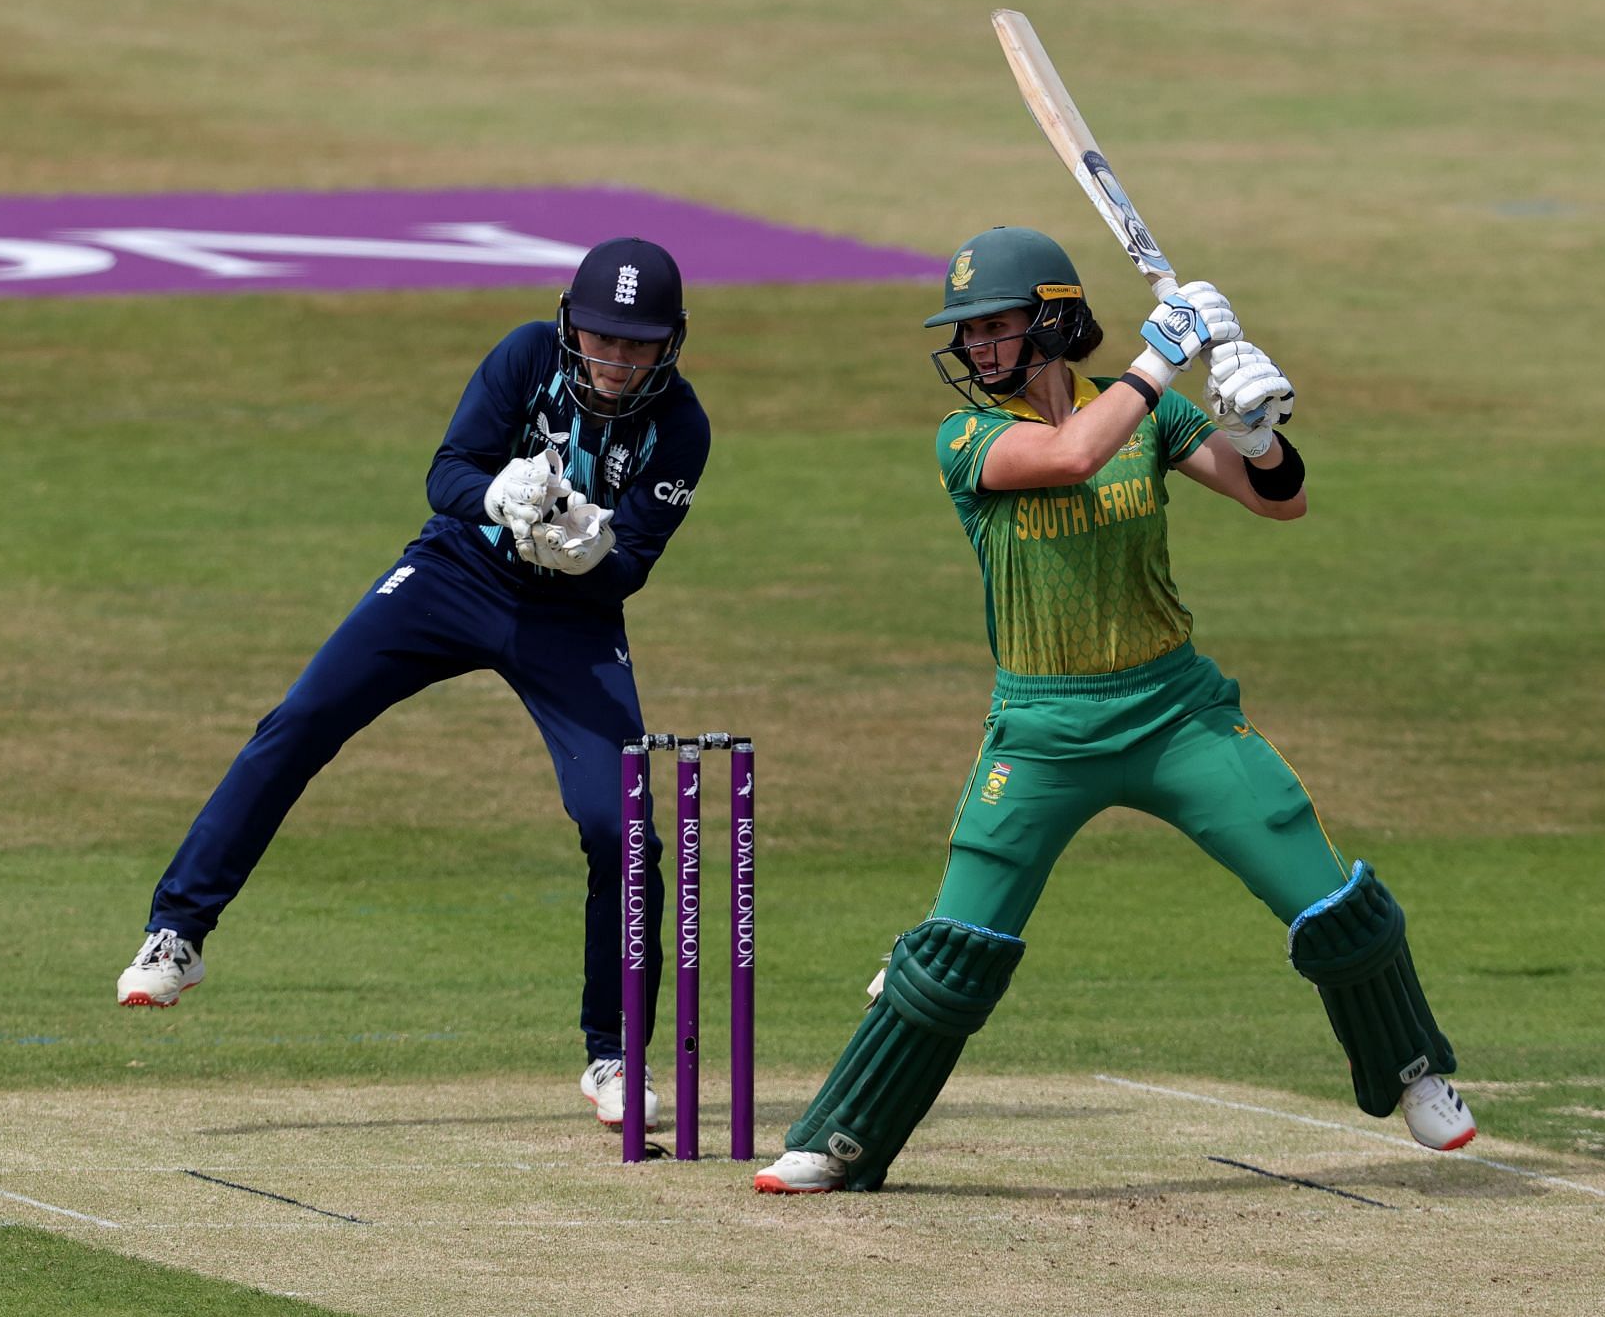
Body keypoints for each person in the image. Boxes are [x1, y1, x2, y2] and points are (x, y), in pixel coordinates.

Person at [753, 226, 1474, 1194]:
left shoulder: (1154, 414)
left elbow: (1279, 504)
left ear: (1053, 320)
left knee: (1327, 895)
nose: (977, 347)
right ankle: (840, 1139)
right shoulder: (968, 437)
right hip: (1041, 733)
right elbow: (1072, 457)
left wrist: (1261, 435)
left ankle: (1414, 1072)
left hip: (1175, 714)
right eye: (968, 331)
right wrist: (1160, 352)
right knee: (957, 948)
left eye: (997, 325)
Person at [115, 236, 709, 1129]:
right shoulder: (524, 356)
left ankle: (615, 1054)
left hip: (571, 623)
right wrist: (496, 497)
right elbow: (446, 474)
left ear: (670, 343)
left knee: (621, 826)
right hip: (455, 578)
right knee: (303, 718)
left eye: (637, 343)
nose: (616, 360)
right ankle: (179, 932)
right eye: (600, 337)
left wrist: (587, 551)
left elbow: (629, 568)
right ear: (570, 323)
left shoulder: (683, 427)